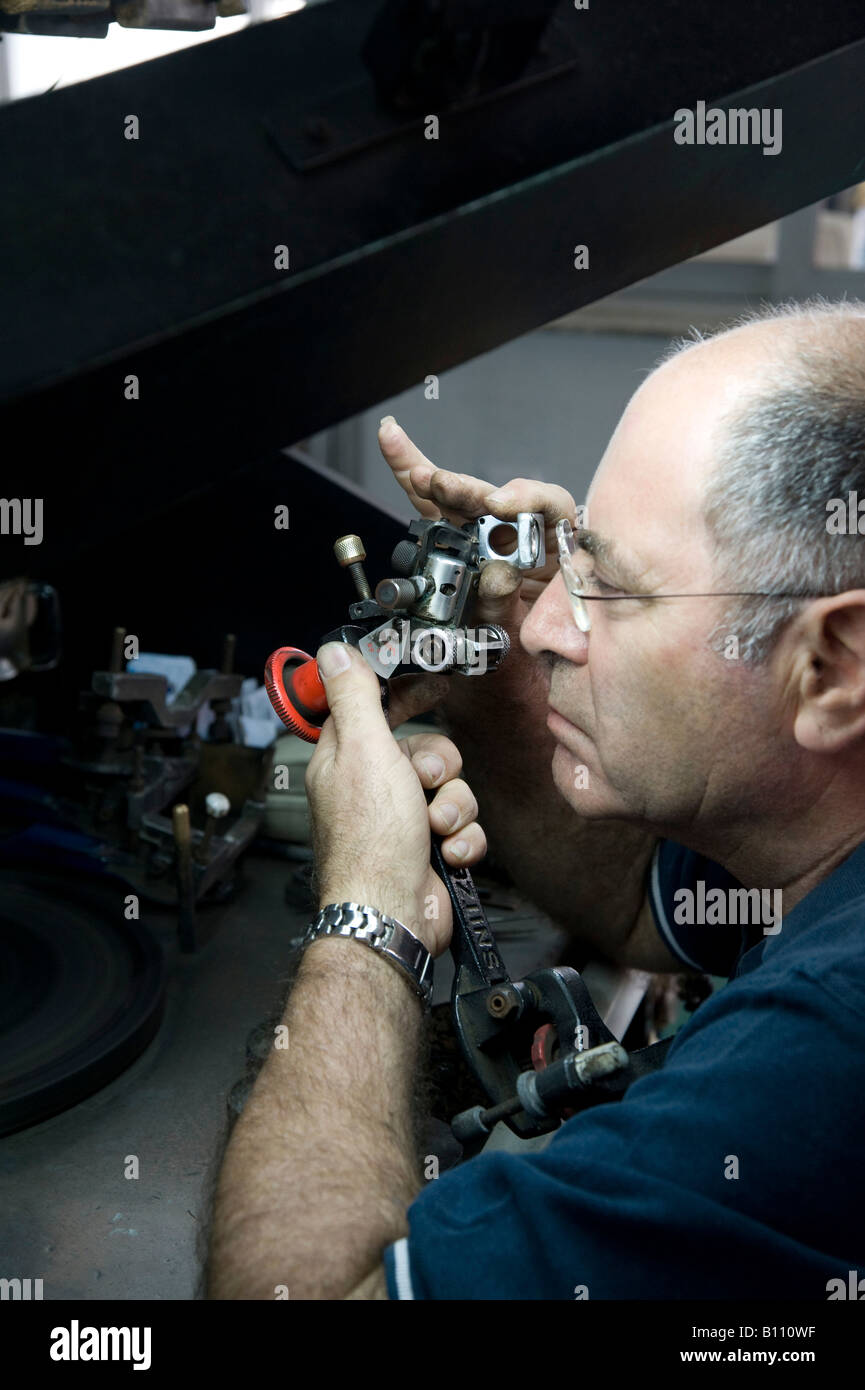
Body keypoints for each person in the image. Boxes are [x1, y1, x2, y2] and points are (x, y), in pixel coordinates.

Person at [206, 298, 865, 1300]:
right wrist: (494, 680)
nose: (546, 625)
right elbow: (649, 909)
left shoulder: (823, 1047)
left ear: (831, 665)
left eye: (609, 586)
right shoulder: (813, 825)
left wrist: (366, 918)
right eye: (568, 555)